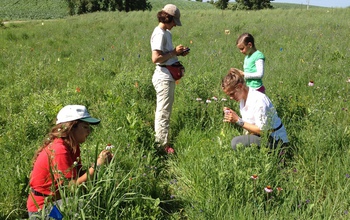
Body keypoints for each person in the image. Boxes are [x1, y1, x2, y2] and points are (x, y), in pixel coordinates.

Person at [27, 105, 113, 218]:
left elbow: (79, 176)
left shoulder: (72, 146)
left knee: (92, 201)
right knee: (84, 206)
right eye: (85, 127)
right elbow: (72, 187)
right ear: (71, 127)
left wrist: (100, 165)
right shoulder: (59, 150)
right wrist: (97, 166)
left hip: (56, 203)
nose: (89, 131)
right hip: (42, 210)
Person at [150, 4, 189, 153]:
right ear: (168, 18)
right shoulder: (159, 33)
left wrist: (178, 53)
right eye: (174, 22)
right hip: (163, 77)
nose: (175, 25)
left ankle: (162, 142)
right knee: (163, 112)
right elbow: (156, 58)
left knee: (165, 110)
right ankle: (161, 145)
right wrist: (173, 52)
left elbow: (166, 55)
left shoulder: (166, 33)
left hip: (168, 75)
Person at [221, 68, 289, 150]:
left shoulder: (259, 100)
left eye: (232, 94)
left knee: (236, 143)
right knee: (237, 141)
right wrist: (232, 117)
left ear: (240, 86)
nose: (231, 98)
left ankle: (279, 154)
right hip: (262, 137)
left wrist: (237, 120)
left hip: (276, 140)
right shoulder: (243, 100)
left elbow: (263, 131)